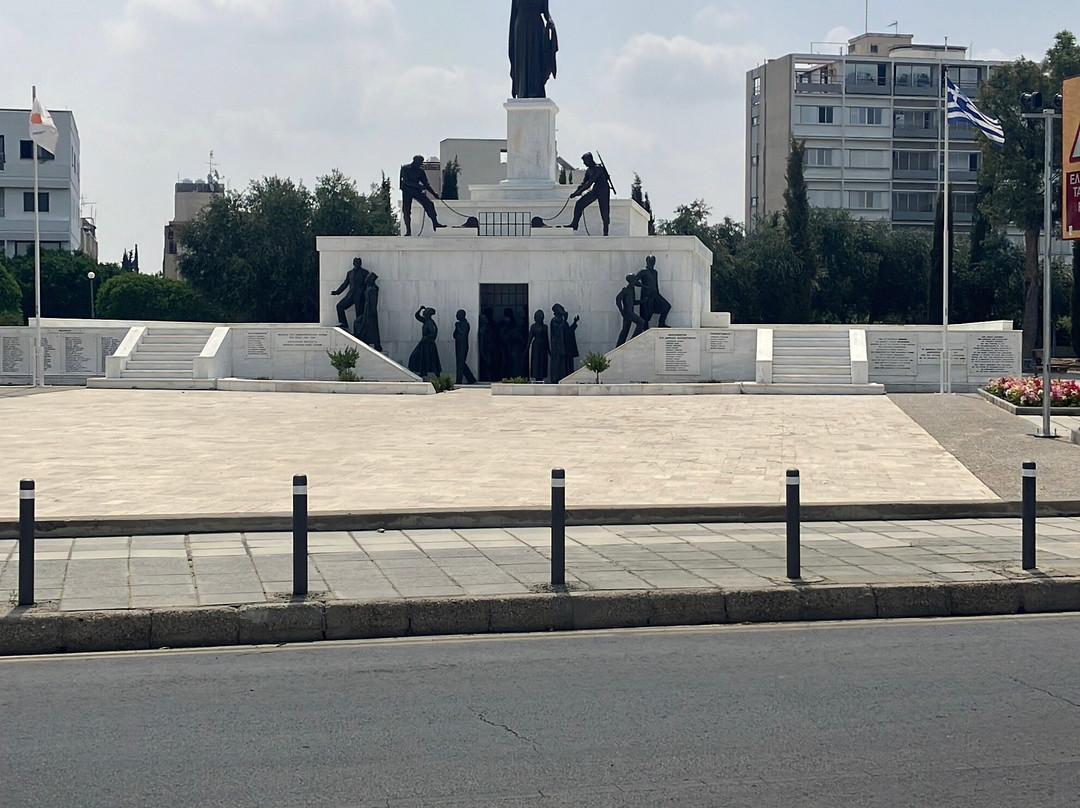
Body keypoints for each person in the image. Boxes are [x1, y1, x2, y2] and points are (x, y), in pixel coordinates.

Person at [509, 0, 558, 99]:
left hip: (536, 28)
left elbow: (546, 12)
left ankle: (536, 90)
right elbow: (513, 15)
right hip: (521, 28)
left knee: (536, 59)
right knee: (522, 59)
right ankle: (522, 90)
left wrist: (550, 21)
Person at [568, 153, 612, 236]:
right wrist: (575, 192)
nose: (584, 163)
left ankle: (606, 230)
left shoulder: (598, 168)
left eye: (585, 161)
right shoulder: (588, 170)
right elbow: (584, 183)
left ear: (590, 159)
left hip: (603, 190)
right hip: (596, 189)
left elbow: (590, 182)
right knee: (579, 203)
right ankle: (574, 223)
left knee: (604, 210)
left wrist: (578, 192)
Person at [400, 155, 444, 237]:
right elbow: (406, 181)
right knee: (406, 211)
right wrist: (419, 186)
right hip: (407, 192)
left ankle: (435, 223)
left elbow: (426, 184)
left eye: (421, 163)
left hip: (416, 191)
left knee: (429, 204)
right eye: (419, 162)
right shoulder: (405, 168)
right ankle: (408, 231)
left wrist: (434, 194)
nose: (420, 164)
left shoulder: (420, 171)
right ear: (414, 161)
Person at [330, 257, 367, 331]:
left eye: (359, 262)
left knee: (359, 314)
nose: (358, 263)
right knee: (340, 306)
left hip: (360, 296)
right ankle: (343, 323)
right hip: (351, 295)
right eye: (356, 262)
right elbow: (345, 284)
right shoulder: (350, 273)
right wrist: (337, 292)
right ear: (353, 263)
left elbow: (368, 284)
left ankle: (360, 330)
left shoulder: (365, 272)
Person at [636, 255, 672, 328]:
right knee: (645, 315)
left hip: (655, 295)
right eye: (650, 261)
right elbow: (634, 281)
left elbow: (656, 283)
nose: (652, 263)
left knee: (667, 306)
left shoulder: (655, 272)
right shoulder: (643, 271)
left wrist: (657, 293)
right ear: (647, 261)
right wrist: (644, 286)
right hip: (646, 296)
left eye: (653, 261)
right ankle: (645, 330)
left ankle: (661, 323)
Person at [407, 306, 442, 378]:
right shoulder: (425, 320)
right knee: (422, 358)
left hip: (429, 345)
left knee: (431, 360)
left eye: (425, 311)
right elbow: (417, 316)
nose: (423, 312)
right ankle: (423, 372)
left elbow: (433, 333)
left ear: (428, 314)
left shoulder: (430, 322)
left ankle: (436, 374)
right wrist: (420, 309)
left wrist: (426, 338)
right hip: (424, 344)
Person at [548, 303, 579, 382]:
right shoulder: (554, 320)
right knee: (558, 367)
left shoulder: (564, 322)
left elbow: (568, 333)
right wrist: (564, 320)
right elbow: (558, 332)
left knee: (566, 367)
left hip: (565, 348)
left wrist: (574, 323)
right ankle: (556, 380)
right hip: (558, 349)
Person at [615, 274, 647, 347]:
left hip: (630, 311)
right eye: (635, 279)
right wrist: (622, 311)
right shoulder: (626, 289)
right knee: (641, 322)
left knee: (625, 329)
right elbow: (618, 299)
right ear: (632, 280)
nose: (636, 280)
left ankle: (619, 345)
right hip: (628, 312)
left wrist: (642, 301)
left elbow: (632, 302)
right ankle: (632, 341)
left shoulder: (632, 289)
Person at [355, 272, 381, 352]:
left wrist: (372, 312)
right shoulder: (368, 288)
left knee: (372, 328)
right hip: (366, 310)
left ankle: (376, 344)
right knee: (363, 325)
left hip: (370, 311)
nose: (366, 279)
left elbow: (373, 302)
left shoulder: (372, 289)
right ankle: (366, 340)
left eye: (367, 278)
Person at [453, 309, 477, 385]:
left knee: (461, 363)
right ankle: (471, 379)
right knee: (460, 363)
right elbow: (454, 335)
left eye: (457, 314)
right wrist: (456, 327)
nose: (456, 315)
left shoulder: (466, 324)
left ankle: (459, 380)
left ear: (461, 315)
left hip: (463, 345)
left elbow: (462, 333)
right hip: (458, 344)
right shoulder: (458, 324)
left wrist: (457, 326)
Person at [527, 309, 550, 381]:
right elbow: (530, 338)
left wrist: (549, 350)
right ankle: (536, 376)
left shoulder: (545, 327)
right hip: (536, 346)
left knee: (542, 362)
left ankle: (541, 377)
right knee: (536, 361)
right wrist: (527, 349)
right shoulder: (533, 327)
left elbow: (547, 339)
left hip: (543, 346)